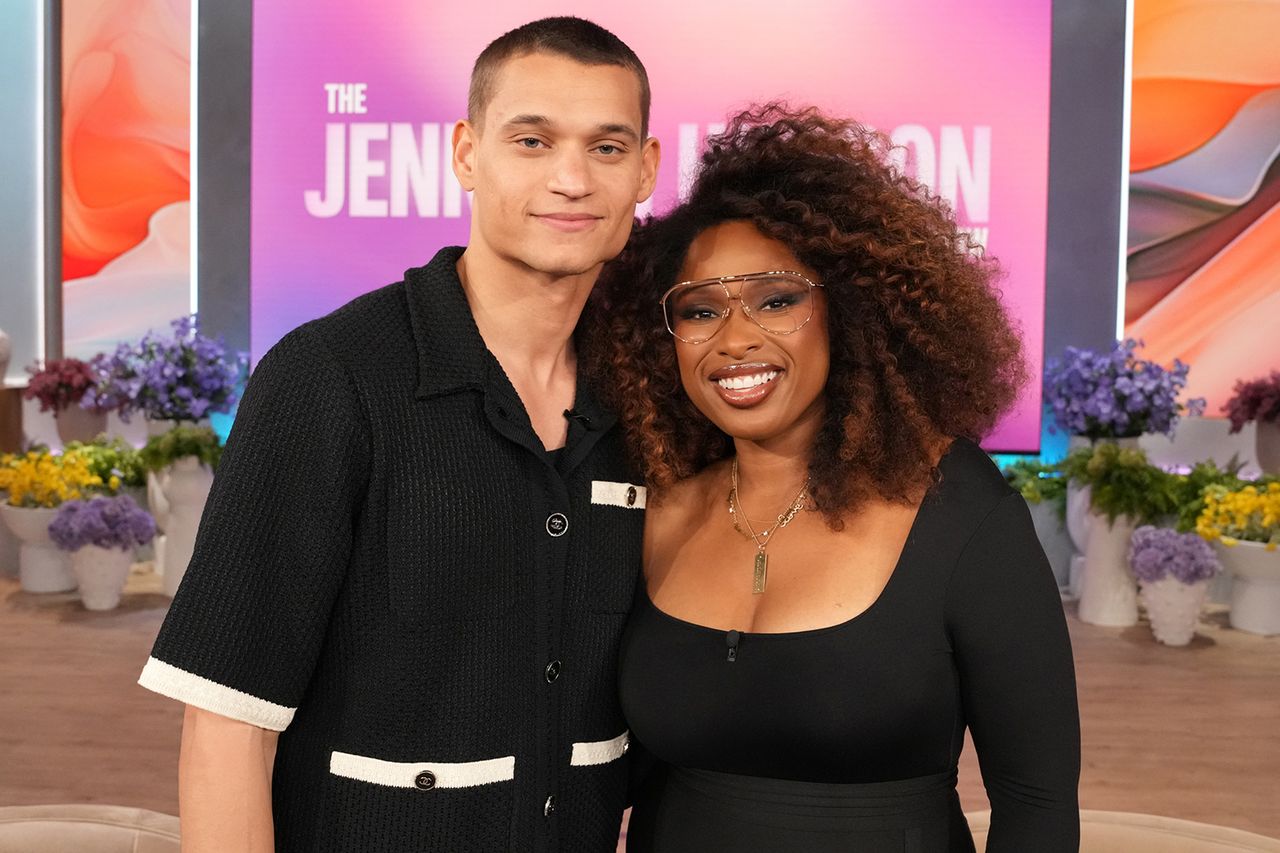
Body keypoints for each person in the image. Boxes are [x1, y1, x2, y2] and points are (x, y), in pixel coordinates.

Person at [137, 17, 659, 853]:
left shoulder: (648, 394)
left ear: (645, 170)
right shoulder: (330, 376)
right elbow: (227, 724)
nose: (571, 178)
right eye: (531, 140)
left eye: (606, 147)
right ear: (466, 153)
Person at [585, 104, 1080, 851]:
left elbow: (1036, 802)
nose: (735, 339)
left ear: (848, 310)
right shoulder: (657, 507)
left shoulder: (954, 505)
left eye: (777, 300)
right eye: (700, 310)